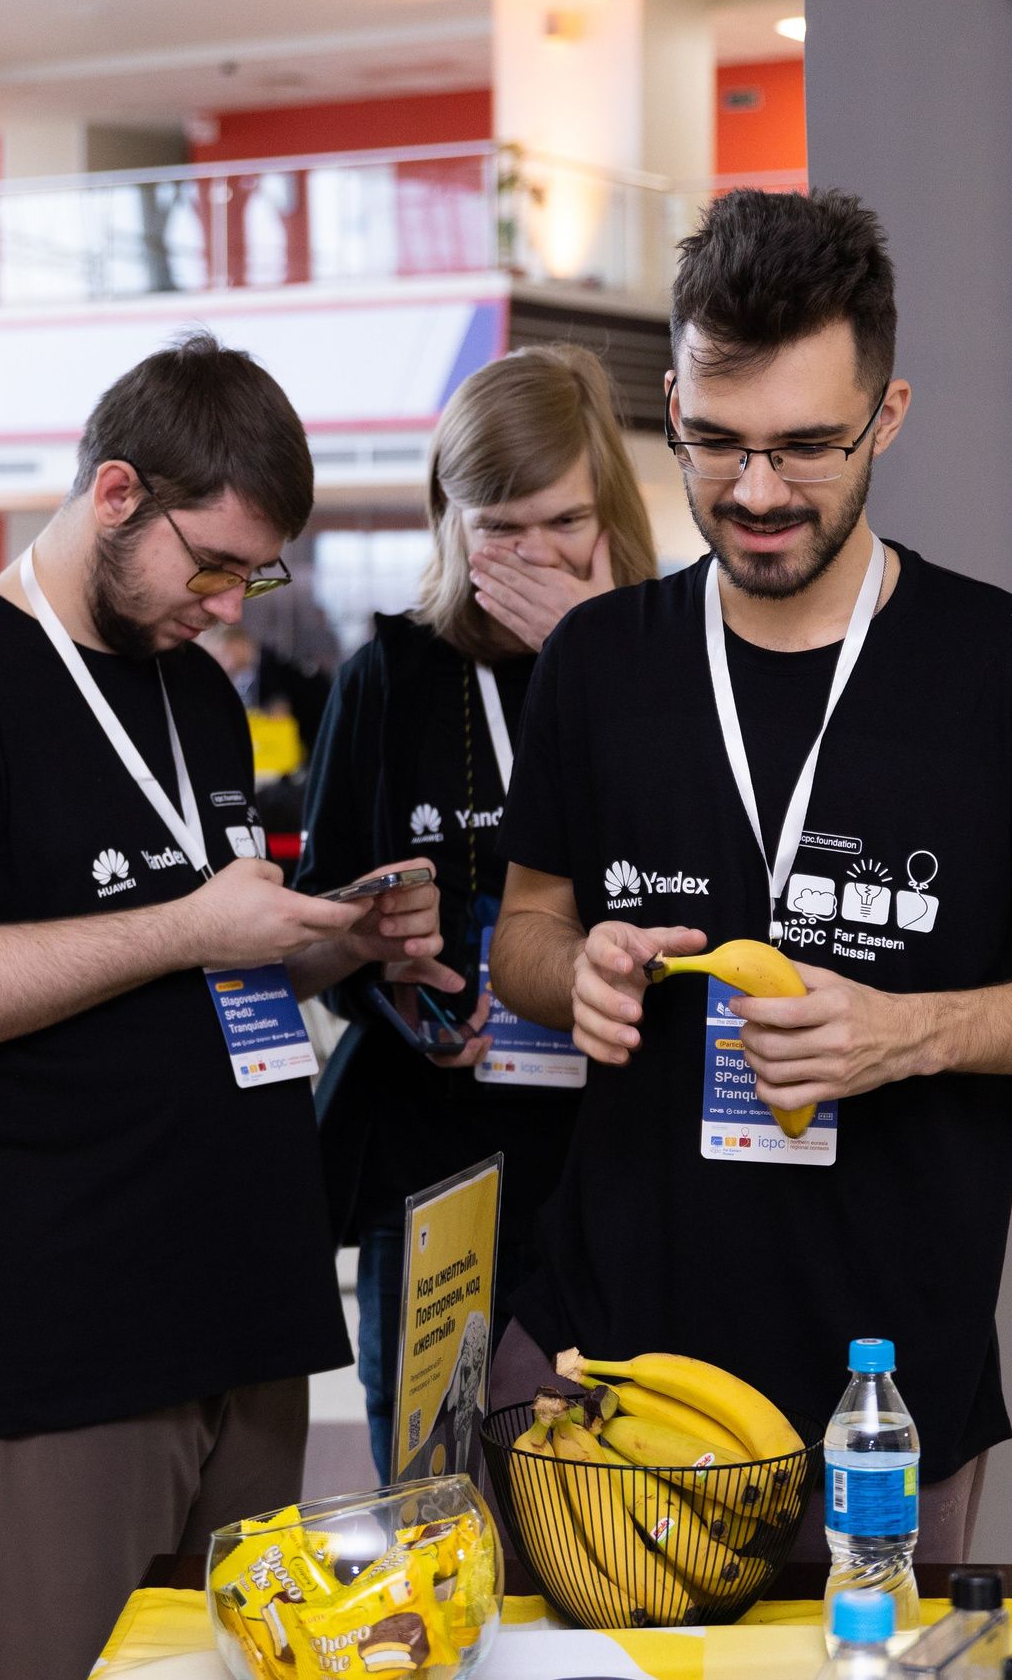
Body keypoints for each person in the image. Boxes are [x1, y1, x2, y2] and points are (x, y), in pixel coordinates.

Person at [486, 189, 1012, 1559]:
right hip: (598, 1379)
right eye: (716, 441)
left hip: (874, 1403)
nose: (755, 491)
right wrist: (579, 970)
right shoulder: (599, 661)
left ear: (891, 412)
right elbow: (524, 927)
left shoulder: (1010, 674)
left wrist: (914, 1029)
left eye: (807, 444)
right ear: (673, 401)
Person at [0, 332, 457, 1680]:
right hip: (49, 1343)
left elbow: (199, 973)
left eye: (252, 572)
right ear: (115, 494)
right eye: (210, 561)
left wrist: (338, 942)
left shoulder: (194, 699)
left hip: (240, 1319)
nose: (226, 601)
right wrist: (185, 925)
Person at [296, 344, 656, 1480]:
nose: (532, 556)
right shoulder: (393, 675)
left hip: (619, 1154)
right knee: (433, 1493)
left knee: (611, 1510)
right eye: (496, 528)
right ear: (447, 520)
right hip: (437, 1158)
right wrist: (395, 985)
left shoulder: (674, 667)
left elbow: (704, 882)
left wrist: (592, 663)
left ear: (608, 507)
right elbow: (325, 921)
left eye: (561, 522)